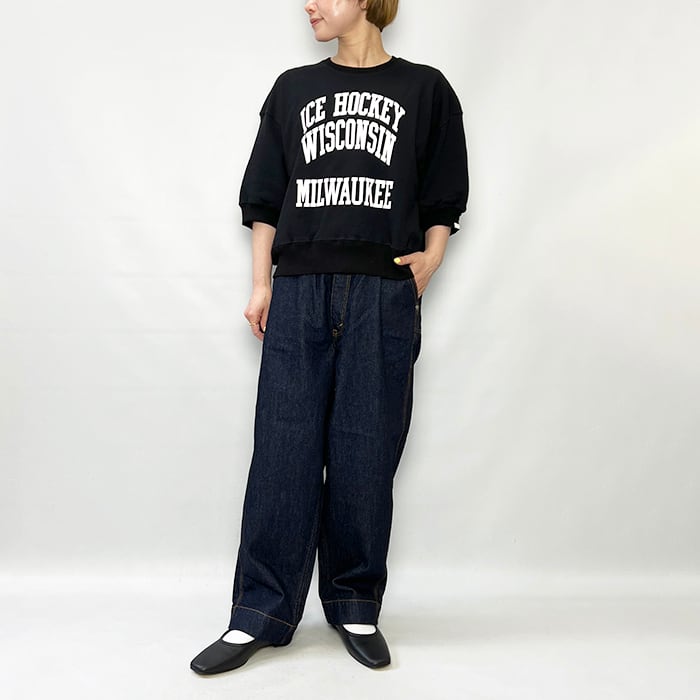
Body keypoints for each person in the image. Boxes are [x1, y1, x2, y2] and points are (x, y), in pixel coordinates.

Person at [190, 0, 468, 673]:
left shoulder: (425, 89)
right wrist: (261, 284)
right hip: (299, 290)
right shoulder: (293, 90)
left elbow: (443, 190)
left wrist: (431, 257)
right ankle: (258, 613)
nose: (309, 4)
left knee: (366, 449)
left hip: (382, 292)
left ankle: (354, 604)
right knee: (283, 448)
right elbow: (264, 197)